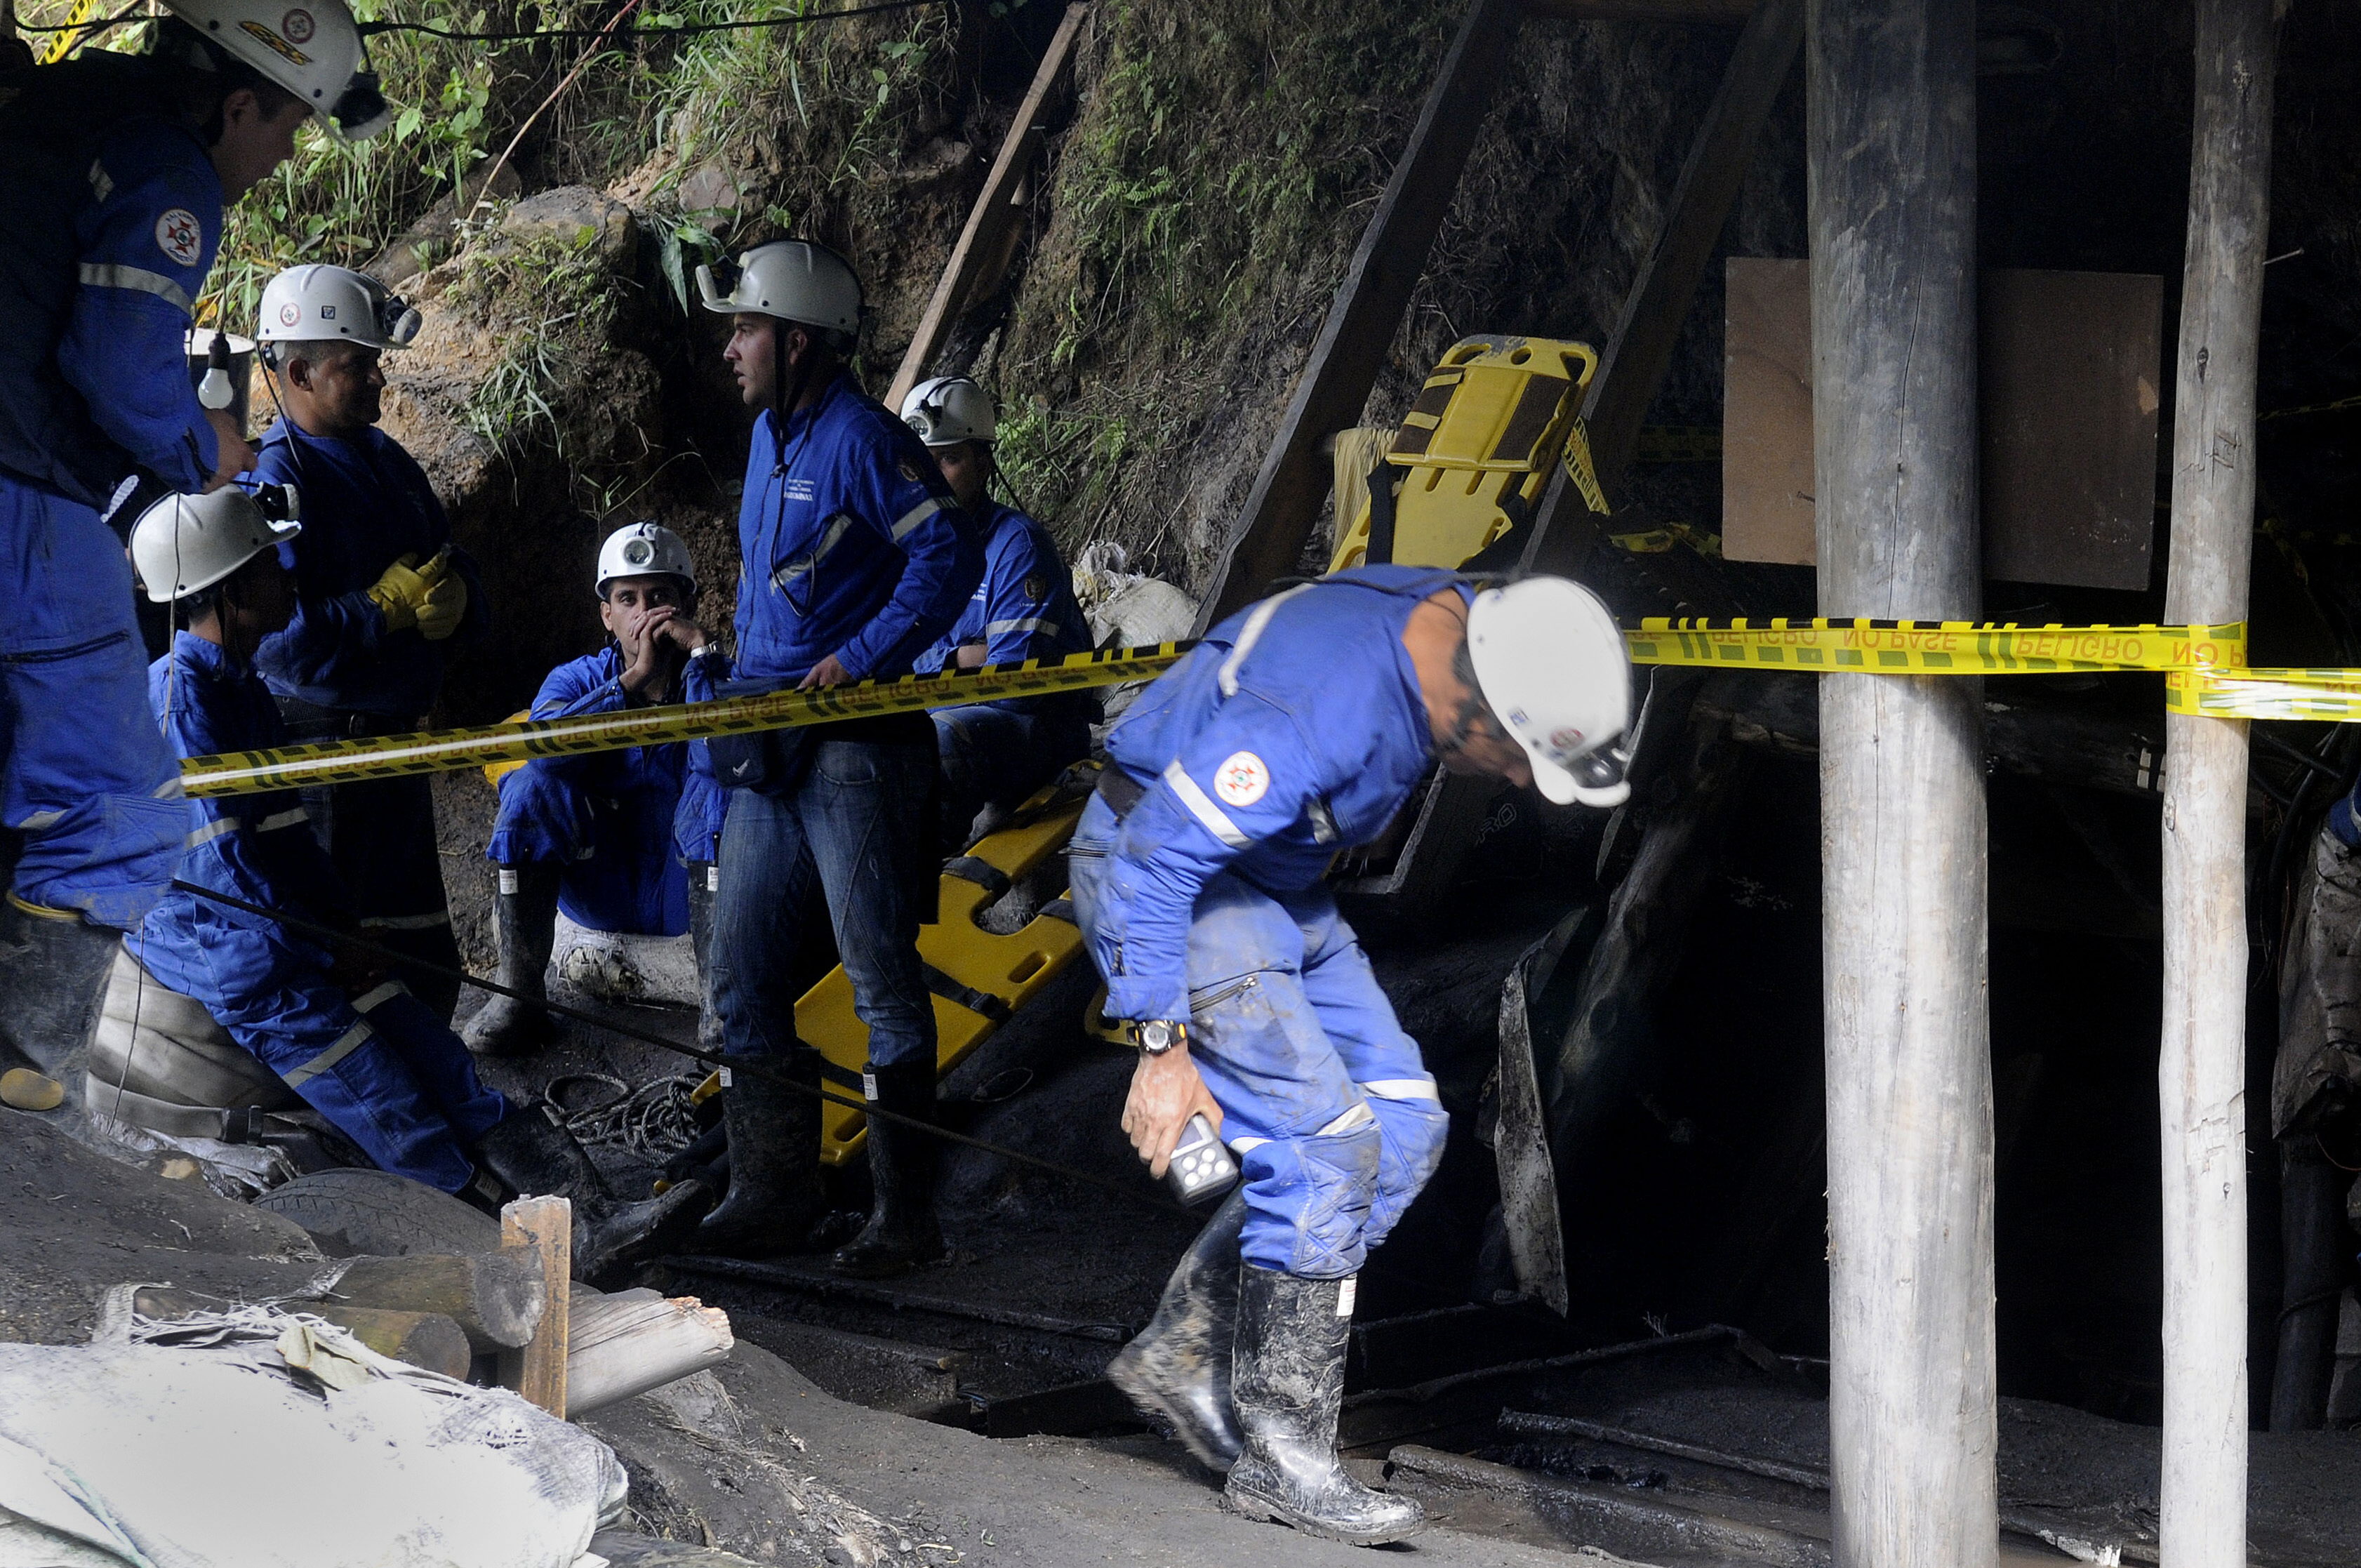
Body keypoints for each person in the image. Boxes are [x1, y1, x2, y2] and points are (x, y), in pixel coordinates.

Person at [1071, 566, 1633, 1545]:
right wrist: (1161, 1047)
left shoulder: (1472, 620)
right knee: (1328, 1146)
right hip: (1170, 873)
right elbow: (1158, 855)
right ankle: (1283, 1458)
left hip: (1272, 884)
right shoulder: (1323, 710)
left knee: (1406, 1124)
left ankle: (1186, 1355)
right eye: (1511, 752)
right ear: (1471, 693)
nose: (1511, 776)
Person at [124, 486, 705, 1273]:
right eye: (269, 561)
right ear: (228, 588)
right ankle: (521, 1264)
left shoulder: (239, 686)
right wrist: (323, 945)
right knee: (396, 1110)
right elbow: (225, 871)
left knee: (448, 1068)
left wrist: (348, 929)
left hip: (297, 938)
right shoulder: (181, 703)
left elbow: (289, 843)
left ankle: (597, 1219)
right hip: (247, 964)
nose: (288, 572)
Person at [0, 1, 387, 1072]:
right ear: (237, 102)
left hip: (32, 455)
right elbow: (118, 369)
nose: (286, 151)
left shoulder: (58, 103)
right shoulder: (171, 170)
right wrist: (199, 439)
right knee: (117, 806)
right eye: (290, 125)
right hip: (22, 497)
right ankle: (24, 1075)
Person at [684, 240, 983, 1275]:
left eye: (746, 329)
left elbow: (948, 557)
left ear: (797, 340)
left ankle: (906, 1221)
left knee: (882, 986)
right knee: (743, 975)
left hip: (855, 748)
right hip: (772, 745)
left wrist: (859, 658)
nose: (732, 349)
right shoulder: (771, 436)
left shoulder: (863, 438)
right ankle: (773, 1193)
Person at [246, 262, 485, 1023]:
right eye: (359, 364)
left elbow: (448, 554)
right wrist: (377, 612)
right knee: (341, 966)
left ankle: (432, 1115)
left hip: (392, 752)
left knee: (422, 957)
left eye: (376, 359)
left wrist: (462, 599)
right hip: (323, 761)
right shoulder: (275, 481)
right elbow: (270, 638)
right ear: (299, 371)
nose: (380, 377)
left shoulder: (386, 459)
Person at [463, 521, 726, 1057]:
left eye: (660, 597)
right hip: (601, 882)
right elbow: (547, 750)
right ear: (607, 615)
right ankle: (519, 996)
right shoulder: (575, 679)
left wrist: (703, 659)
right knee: (532, 782)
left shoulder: (715, 674)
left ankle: (722, 1005)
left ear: (687, 605)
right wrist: (632, 682)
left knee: (721, 788)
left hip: (687, 888)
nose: (644, 612)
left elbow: (740, 759)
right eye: (627, 599)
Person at [899, 376, 1094, 848]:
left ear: (984, 463)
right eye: (921, 462)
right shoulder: (908, 546)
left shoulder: (1018, 547)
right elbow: (885, 660)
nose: (931, 477)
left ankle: (925, 896)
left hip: (1042, 729)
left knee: (938, 742)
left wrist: (931, 666)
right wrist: (961, 658)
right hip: (951, 707)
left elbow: (1011, 689)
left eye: (948, 459)